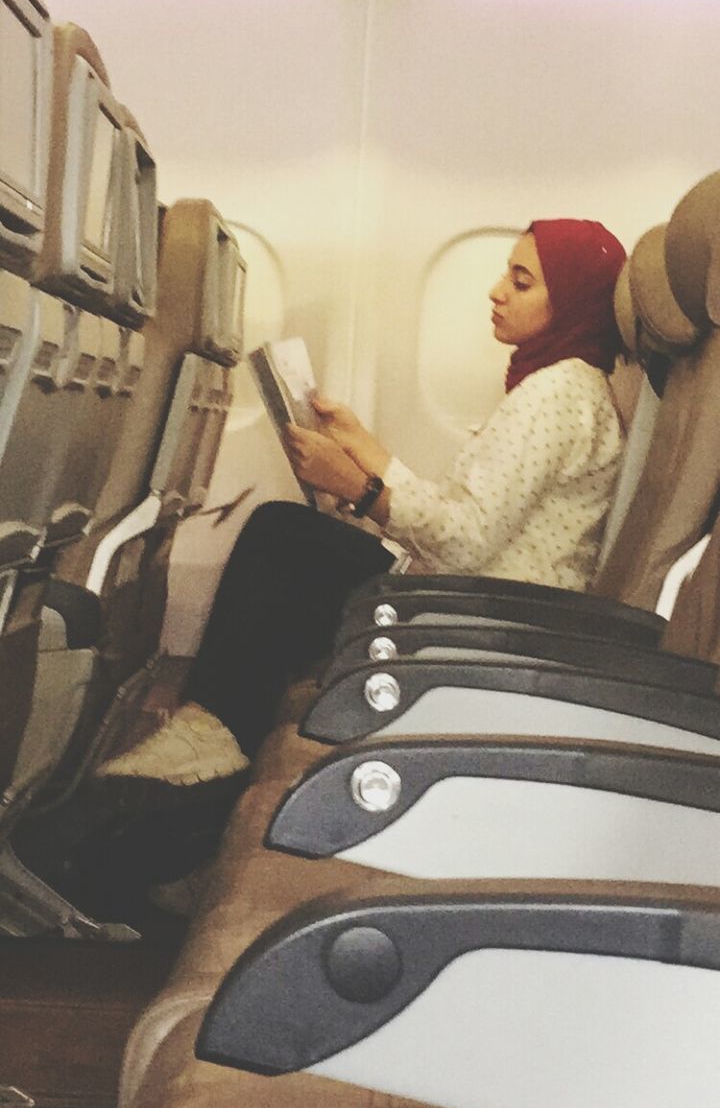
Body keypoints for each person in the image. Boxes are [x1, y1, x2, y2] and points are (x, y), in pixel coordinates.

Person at [98, 218, 626, 781]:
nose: (497, 291)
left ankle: (215, 735)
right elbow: (467, 510)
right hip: (479, 593)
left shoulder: (556, 393)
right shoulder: (559, 384)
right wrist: (363, 447)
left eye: (522, 283)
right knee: (291, 541)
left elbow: (467, 541)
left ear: (572, 302)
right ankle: (222, 732)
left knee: (284, 538)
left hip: (491, 614)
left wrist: (360, 489)